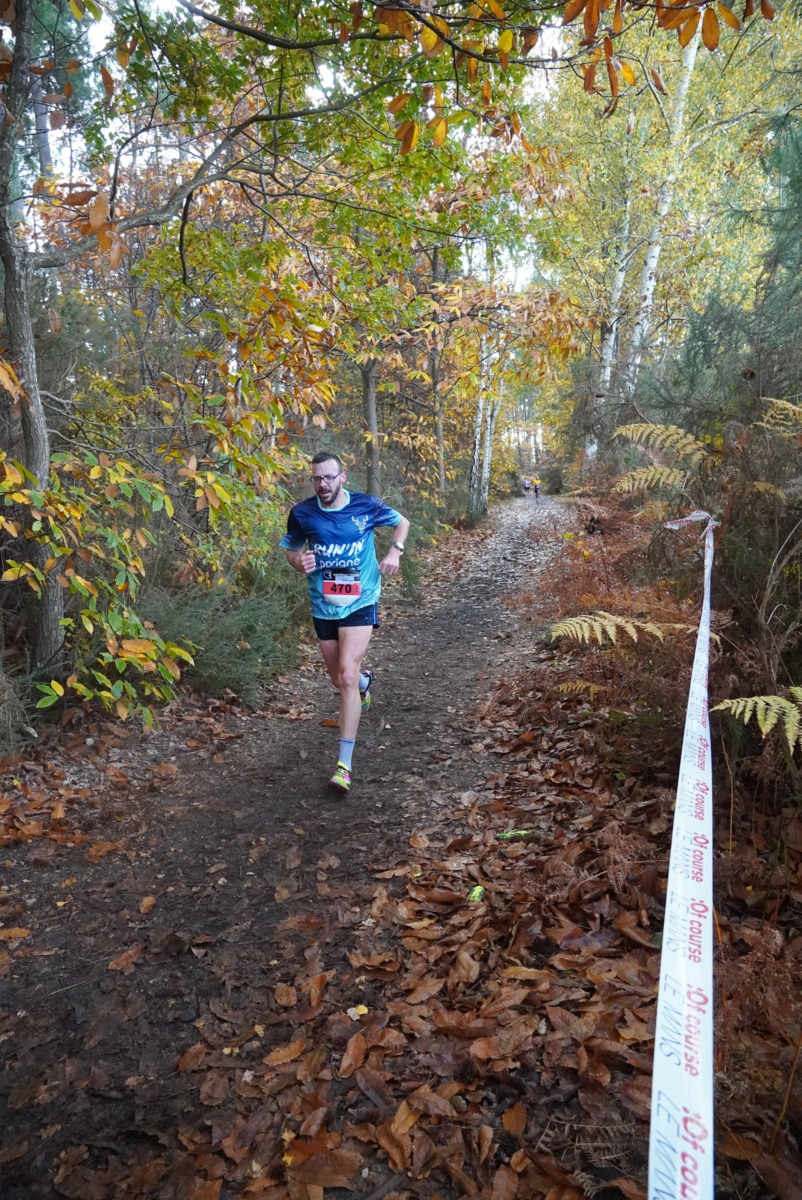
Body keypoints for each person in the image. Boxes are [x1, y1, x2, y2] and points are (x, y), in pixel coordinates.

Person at [281, 453, 410, 796]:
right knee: (339, 679)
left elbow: (402, 522)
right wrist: (299, 562)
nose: (322, 484)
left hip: (360, 599)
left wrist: (395, 551)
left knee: (347, 676)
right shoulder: (302, 513)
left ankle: (343, 767)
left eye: (328, 477)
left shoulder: (366, 505)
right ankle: (365, 683)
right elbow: (291, 550)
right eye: (317, 478)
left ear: (343, 477)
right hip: (324, 603)